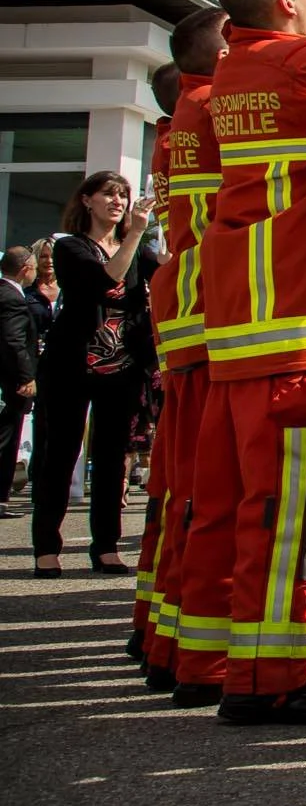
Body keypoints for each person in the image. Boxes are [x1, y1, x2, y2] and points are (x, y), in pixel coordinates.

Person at [200, 0, 306, 722]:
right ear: (287, 0)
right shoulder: (305, 65)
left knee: (257, 511)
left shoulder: (233, 71)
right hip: (297, 326)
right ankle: (273, 677)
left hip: (242, 325)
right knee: (300, 517)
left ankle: (251, 665)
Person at [138, 8, 229, 689]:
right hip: (213, 313)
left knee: (180, 491)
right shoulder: (211, 106)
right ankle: (190, 648)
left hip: (188, 312)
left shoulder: (181, 120)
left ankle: (162, 627)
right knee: (208, 493)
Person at [30, 171, 158, 576]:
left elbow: (172, 268)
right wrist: (136, 234)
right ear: (87, 200)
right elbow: (108, 280)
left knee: (111, 458)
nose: (118, 202)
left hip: (121, 366)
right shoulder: (69, 247)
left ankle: (106, 546)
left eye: (123, 195)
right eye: (109, 194)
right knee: (61, 453)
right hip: (72, 364)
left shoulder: (136, 247)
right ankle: (46, 547)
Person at [131, 60, 181, 659]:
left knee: (186, 492)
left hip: (198, 322)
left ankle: (167, 629)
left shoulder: (176, 132)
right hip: (275, 331)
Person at [0, 246, 38, 518]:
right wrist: (27, 376)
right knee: (5, 439)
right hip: (11, 381)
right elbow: (13, 340)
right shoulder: (11, 298)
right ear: (25, 268)